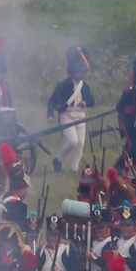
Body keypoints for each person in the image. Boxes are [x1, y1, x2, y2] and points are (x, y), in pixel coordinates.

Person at [46, 47, 96, 176]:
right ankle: (58, 160)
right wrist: (50, 115)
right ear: (73, 72)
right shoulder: (63, 85)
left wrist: (85, 103)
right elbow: (52, 101)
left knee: (80, 144)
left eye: (82, 72)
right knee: (72, 141)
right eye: (79, 72)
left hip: (81, 116)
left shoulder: (85, 86)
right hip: (67, 115)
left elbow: (92, 102)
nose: (81, 75)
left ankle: (73, 169)